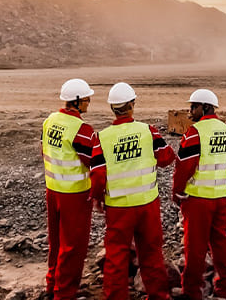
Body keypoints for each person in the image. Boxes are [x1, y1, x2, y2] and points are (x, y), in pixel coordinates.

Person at [91, 82, 176, 300]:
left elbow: (98, 175)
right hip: (147, 205)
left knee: (116, 256)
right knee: (151, 254)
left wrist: (97, 199)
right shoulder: (148, 131)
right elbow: (166, 158)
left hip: (118, 208)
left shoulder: (102, 137)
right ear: (132, 105)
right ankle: (158, 296)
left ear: (112, 108)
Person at [172, 88, 226, 300]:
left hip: (198, 200)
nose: (190, 110)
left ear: (206, 107)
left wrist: (177, 192)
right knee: (221, 243)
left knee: (195, 248)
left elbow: (184, 167)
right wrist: (225, 190)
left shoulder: (195, 133)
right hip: (221, 197)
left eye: (194, 106)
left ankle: (192, 291)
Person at [42, 78, 100, 300]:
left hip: (52, 190)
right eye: (86, 99)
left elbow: (44, 149)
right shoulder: (82, 130)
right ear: (76, 101)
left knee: (56, 242)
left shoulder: (50, 121)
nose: (88, 103)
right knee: (73, 246)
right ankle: (64, 293)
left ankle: (52, 283)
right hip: (74, 194)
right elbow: (94, 162)